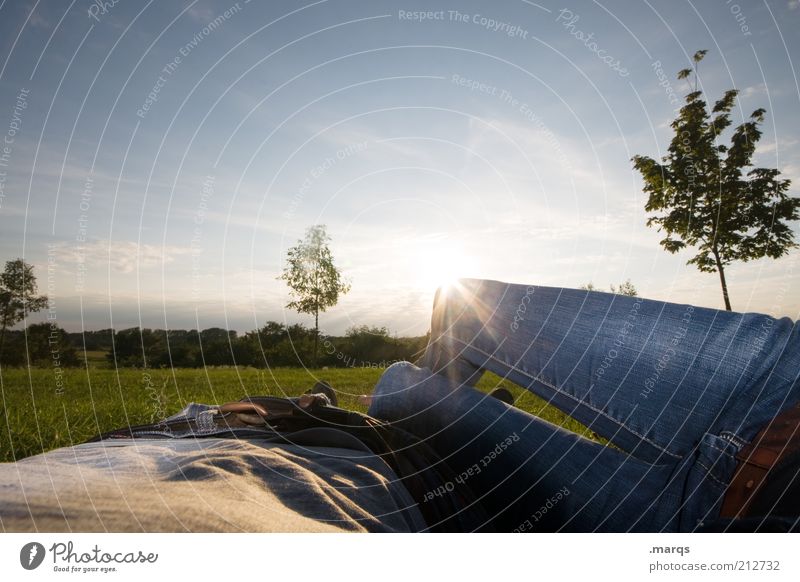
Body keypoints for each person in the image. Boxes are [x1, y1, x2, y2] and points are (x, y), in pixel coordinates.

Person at [1, 278, 797, 532]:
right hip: (778, 397)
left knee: (411, 374)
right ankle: (402, 417)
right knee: (429, 348)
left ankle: (400, 418)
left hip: (711, 526)